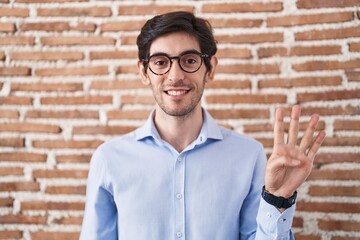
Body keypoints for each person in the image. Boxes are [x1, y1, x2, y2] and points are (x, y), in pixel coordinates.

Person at [80, 11, 325, 240]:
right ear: (144, 72)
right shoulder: (108, 159)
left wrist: (278, 198)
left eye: (189, 60)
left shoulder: (249, 156)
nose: (175, 75)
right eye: (160, 62)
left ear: (210, 69)